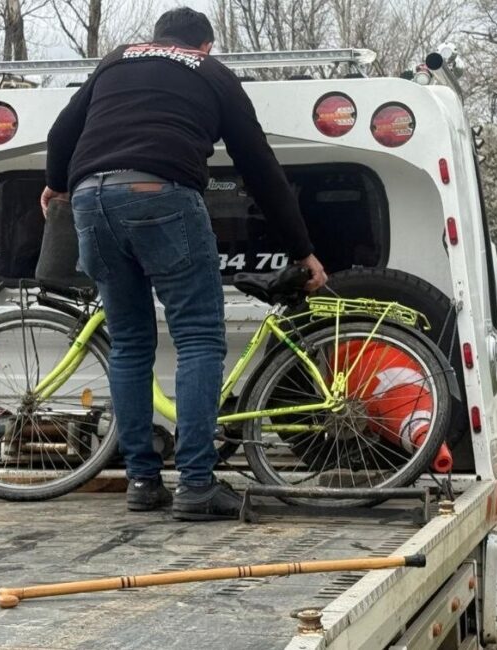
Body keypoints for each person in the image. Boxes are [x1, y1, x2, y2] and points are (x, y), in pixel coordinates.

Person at [42, 7, 327, 521]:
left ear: (156, 39)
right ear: (206, 45)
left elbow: (62, 132)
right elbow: (259, 166)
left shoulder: (116, 60)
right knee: (197, 336)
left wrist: (58, 183)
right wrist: (301, 248)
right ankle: (196, 484)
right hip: (160, 192)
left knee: (129, 341)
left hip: (89, 200)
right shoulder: (211, 72)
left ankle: (143, 482)